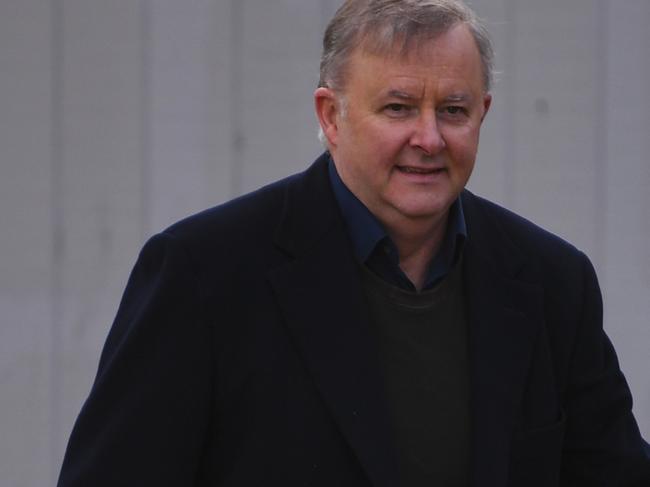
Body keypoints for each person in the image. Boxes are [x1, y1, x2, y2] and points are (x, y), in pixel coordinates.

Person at [57, 1, 650, 486]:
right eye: (398, 108)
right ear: (331, 115)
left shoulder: (552, 282)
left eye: (453, 109)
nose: (429, 137)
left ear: (483, 114)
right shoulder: (202, 275)